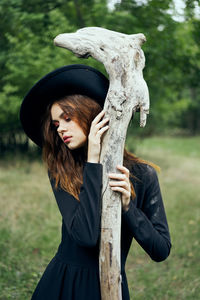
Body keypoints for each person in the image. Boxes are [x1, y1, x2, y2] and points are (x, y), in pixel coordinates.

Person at [20, 64, 171, 300]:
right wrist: (93, 161)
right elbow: (86, 236)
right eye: (56, 124)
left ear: (92, 114)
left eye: (67, 118)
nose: (61, 129)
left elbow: (160, 250)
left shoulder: (142, 174)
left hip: (112, 284)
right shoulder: (62, 169)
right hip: (65, 284)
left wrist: (128, 207)